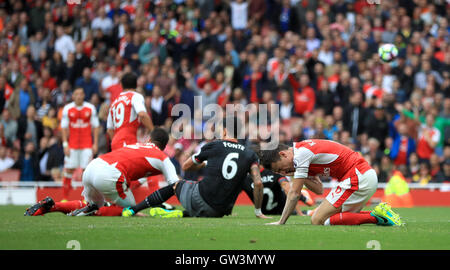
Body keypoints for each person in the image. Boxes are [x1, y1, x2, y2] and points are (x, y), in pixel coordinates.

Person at [122, 117, 270, 219]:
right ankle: (179, 214)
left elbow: (186, 166)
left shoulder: (214, 145)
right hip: (219, 211)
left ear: (224, 131)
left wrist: (206, 164)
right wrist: (258, 211)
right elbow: (258, 183)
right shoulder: (249, 154)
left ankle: (133, 209)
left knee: (176, 185)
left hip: (200, 198)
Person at [24, 128, 179, 217]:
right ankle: (91, 210)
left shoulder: (137, 145)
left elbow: (132, 175)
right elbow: (175, 184)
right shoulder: (162, 157)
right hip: (110, 175)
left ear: (148, 139)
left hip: (93, 166)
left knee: (91, 204)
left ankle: (50, 206)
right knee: (130, 210)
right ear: (164, 147)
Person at [259, 139, 404, 226]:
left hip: (357, 176)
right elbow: (319, 189)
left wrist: (281, 221)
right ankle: (380, 215)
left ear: (283, 154)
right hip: (363, 176)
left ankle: (377, 217)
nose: (284, 173)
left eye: (281, 168)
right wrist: (299, 174)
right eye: (280, 173)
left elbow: (294, 193)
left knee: (317, 219)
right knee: (328, 219)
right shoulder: (302, 154)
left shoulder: (301, 155)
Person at [60, 87, 100, 201]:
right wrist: (65, 144)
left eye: (81, 94)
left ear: (83, 95)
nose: (79, 96)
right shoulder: (68, 109)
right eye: (76, 94)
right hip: (72, 146)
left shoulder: (90, 108)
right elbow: (63, 127)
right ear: (73, 96)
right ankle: (64, 198)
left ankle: (86, 198)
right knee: (68, 170)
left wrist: (95, 143)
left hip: (86, 145)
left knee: (86, 172)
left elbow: (96, 126)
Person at [242, 163, 315, 215]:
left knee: (308, 204)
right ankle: (305, 197)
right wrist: (300, 213)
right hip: (282, 209)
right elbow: (287, 189)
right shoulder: (274, 173)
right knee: (309, 205)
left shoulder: (246, 179)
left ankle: (305, 196)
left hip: (267, 212)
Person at [106, 72, 154, 151]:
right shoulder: (135, 96)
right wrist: (153, 131)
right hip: (128, 140)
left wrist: (116, 141)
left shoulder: (114, 102)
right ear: (136, 85)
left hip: (115, 143)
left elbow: (109, 129)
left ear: (121, 85)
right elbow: (142, 114)